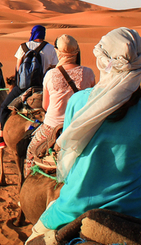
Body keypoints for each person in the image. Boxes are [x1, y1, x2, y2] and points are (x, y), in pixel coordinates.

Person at [26, 28, 141, 243]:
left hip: (73, 209)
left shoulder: (78, 103)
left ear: (104, 62)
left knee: (33, 239)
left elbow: (70, 155)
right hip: (136, 212)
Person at [24, 34, 95, 177]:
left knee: (31, 152)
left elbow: (45, 105)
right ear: (76, 52)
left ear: (58, 52)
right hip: (80, 128)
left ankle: (26, 185)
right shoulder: (88, 73)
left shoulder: (50, 75)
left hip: (52, 128)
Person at [0, 25, 58, 150]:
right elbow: (53, 68)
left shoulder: (23, 47)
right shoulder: (50, 48)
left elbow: (18, 68)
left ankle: (0, 138)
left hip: (23, 88)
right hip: (42, 87)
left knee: (4, 107)